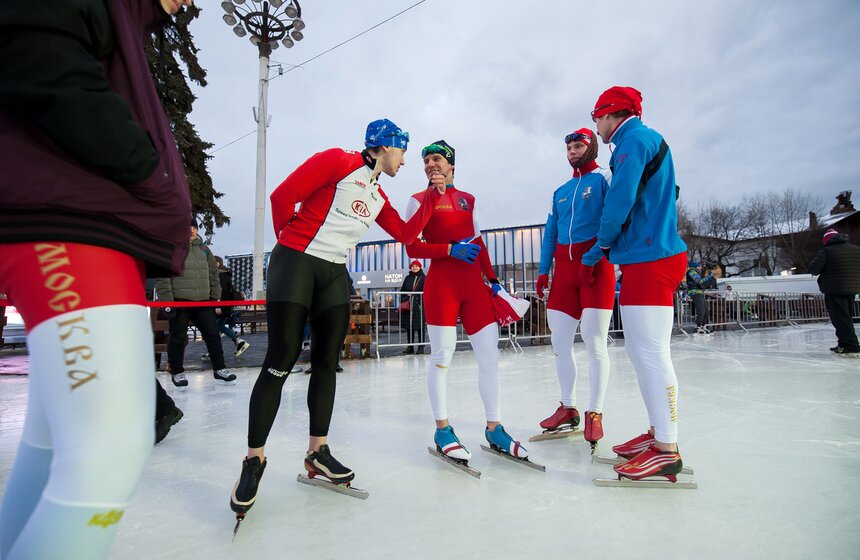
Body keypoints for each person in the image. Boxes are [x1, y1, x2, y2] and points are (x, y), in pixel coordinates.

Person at [0, 1, 193, 558]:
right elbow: (36, 51)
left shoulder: (129, 19)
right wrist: (148, 169)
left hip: (92, 223)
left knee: (55, 444)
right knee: (111, 450)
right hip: (72, 222)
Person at [231, 118, 444, 515]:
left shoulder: (379, 196)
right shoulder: (337, 161)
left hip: (333, 271)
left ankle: (317, 451)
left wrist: (433, 199)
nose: (406, 161)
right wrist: (288, 246)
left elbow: (408, 236)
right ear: (385, 146)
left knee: (328, 362)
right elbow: (282, 197)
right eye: (403, 151)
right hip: (296, 259)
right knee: (281, 359)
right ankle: (253, 459)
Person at [584, 86, 689, 482]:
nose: (595, 126)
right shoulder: (641, 140)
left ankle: (666, 447)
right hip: (647, 255)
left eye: (597, 117)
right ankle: (657, 432)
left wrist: (602, 244)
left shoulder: (633, 141)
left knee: (650, 352)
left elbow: (620, 200)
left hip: (651, 258)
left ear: (613, 114)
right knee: (643, 350)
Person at [405, 140, 529, 463]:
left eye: (437, 159)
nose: (431, 164)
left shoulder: (468, 200)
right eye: (426, 160)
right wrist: (448, 249)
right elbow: (412, 247)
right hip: (442, 288)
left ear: (451, 166)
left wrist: (495, 282)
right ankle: (442, 428)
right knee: (442, 357)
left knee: (489, 356)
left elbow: (479, 242)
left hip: (474, 287)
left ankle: (494, 427)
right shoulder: (417, 200)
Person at [535, 128, 614, 449]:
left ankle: (595, 412)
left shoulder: (604, 180)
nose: (572, 151)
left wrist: (595, 256)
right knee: (560, 344)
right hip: (564, 273)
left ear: (591, 147)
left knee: (595, 342)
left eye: (578, 145)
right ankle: (568, 407)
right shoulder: (560, 191)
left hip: (597, 267)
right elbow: (550, 233)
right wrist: (543, 271)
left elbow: (613, 220)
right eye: (568, 147)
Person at [155, 221, 237, 388]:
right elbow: (163, 276)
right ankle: (177, 371)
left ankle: (219, 369)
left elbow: (214, 276)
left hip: (203, 301)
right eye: (187, 227)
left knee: (213, 335)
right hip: (180, 301)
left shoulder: (204, 250)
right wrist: (167, 302)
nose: (191, 231)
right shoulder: (172, 248)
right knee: (177, 337)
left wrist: (215, 298)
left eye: (194, 227)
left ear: (197, 230)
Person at [808, 228, 860, 357]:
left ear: (826, 240)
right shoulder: (856, 249)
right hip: (852, 289)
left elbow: (814, 269)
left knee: (840, 319)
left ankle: (851, 346)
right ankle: (843, 344)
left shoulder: (826, 251)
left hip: (834, 289)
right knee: (846, 317)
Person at [214, 255, 250, 358]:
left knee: (214, 328)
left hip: (220, 306)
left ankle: (214, 350)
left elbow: (222, 292)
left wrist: (218, 305)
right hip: (224, 306)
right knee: (219, 326)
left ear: (217, 264)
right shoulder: (225, 274)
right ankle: (238, 341)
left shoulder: (220, 275)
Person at [399, 260, 427, 354]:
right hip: (408, 306)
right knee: (409, 327)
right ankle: (410, 347)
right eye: (413, 266)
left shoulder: (423, 278)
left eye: (416, 266)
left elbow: (426, 291)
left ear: (420, 267)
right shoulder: (407, 278)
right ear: (411, 267)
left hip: (419, 306)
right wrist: (404, 299)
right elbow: (402, 290)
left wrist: (420, 300)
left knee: (420, 328)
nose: (414, 267)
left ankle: (421, 347)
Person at [685, 261, 712, 334]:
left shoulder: (696, 272)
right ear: (695, 266)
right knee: (701, 310)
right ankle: (697, 327)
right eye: (699, 266)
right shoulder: (692, 272)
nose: (700, 267)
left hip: (699, 293)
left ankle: (703, 326)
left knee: (705, 311)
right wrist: (708, 277)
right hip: (695, 293)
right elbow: (699, 281)